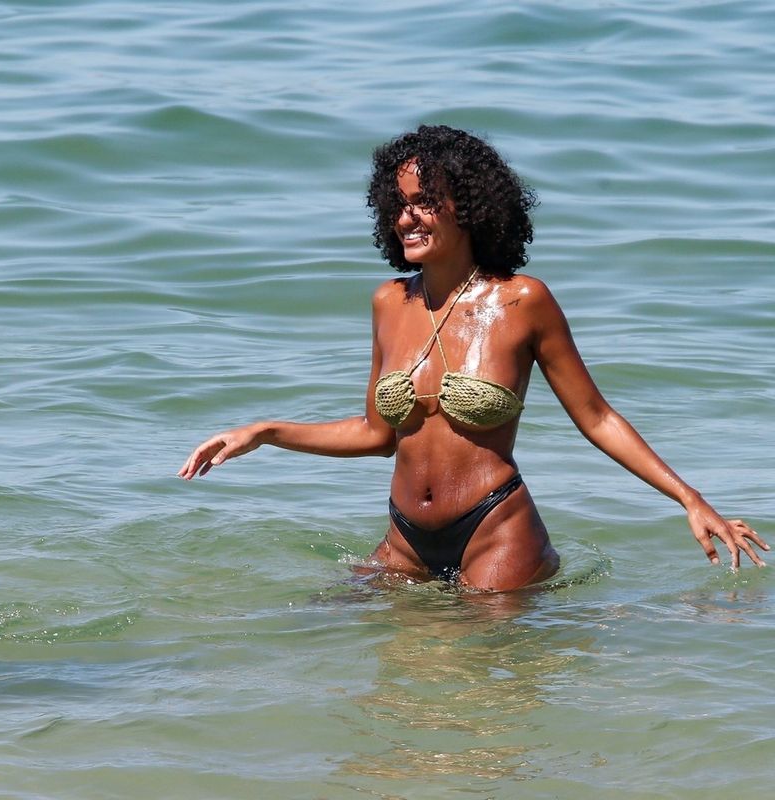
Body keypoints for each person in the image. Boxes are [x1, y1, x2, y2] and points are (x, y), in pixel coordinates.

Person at [179, 124, 766, 591]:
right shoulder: (389, 303)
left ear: (470, 207)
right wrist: (267, 431)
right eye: (400, 204)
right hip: (404, 538)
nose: (408, 217)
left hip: (496, 531)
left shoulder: (522, 301)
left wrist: (690, 498)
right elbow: (376, 433)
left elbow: (597, 417)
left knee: (484, 697)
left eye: (426, 203)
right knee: (326, 639)